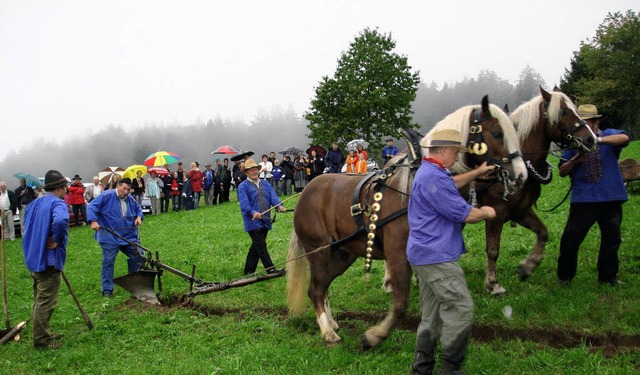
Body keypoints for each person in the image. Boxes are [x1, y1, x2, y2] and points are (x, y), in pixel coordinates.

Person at [407, 129, 496, 375]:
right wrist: (489, 212)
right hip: (437, 257)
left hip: (422, 255)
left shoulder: (430, 171)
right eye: (456, 151)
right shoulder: (433, 178)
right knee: (461, 307)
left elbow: (451, 183)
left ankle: (421, 369)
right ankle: (451, 369)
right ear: (444, 150)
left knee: (431, 317)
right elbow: (466, 214)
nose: (457, 156)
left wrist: (477, 173)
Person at [557, 104, 630, 286]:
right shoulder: (574, 143)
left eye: (587, 122)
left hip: (611, 197)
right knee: (570, 240)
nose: (583, 126)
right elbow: (562, 171)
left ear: (596, 122)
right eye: (581, 123)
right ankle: (565, 277)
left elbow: (625, 137)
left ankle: (608, 277)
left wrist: (597, 140)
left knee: (611, 239)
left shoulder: (608, 134)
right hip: (584, 199)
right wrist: (575, 160)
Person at [22, 170, 69, 349]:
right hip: (48, 261)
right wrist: (57, 240)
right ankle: (42, 341)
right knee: (46, 302)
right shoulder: (58, 203)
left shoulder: (34, 204)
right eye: (65, 188)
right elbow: (61, 221)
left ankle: (43, 332)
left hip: (33, 257)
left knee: (39, 298)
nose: (66, 191)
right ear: (60, 188)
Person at [86, 177, 143, 298]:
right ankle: (107, 290)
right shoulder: (107, 195)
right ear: (118, 186)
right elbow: (91, 206)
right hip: (110, 236)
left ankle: (133, 283)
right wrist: (93, 221)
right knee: (108, 261)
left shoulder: (130, 199)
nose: (126, 192)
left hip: (128, 236)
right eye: (124, 189)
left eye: (128, 190)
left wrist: (139, 216)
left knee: (139, 255)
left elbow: (138, 209)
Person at [237, 158, 287, 275]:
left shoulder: (266, 183)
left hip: (266, 220)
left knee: (256, 247)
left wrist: (279, 206)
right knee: (261, 246)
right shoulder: (242, 186)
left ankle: (248, 271)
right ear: (246, 172)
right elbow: (244, 205)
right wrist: (253, 212)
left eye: (255, 170)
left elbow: (273, 198)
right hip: (253, 221)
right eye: (251, 170)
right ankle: (271, 270)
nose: (254, 172)